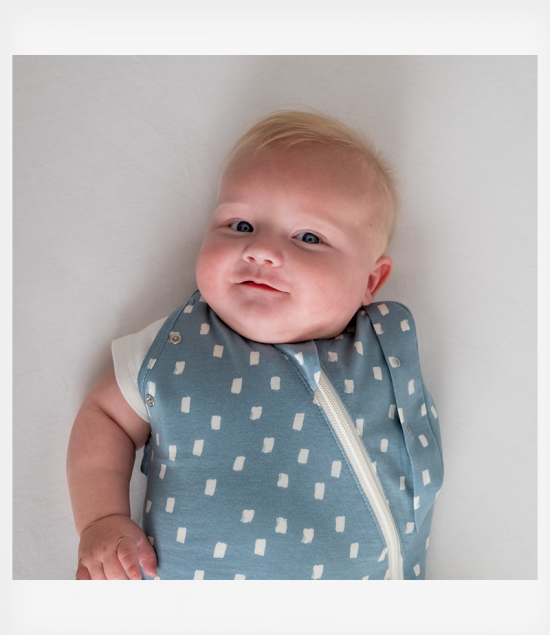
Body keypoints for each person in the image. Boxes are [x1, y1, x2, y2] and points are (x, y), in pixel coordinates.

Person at [67, 110, 443, 580]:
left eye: (309, 237)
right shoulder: (177, 345)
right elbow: (106, 417)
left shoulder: (380, 356)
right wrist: (101, 519)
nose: (261, 250)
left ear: (370, 281)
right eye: (241, 225)